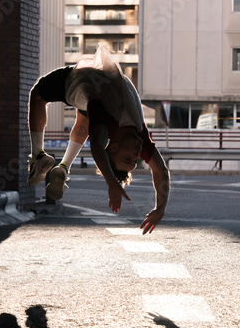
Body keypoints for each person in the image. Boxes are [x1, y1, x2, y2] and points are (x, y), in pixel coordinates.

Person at [27, 44, 170, 234]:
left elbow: (96, 147)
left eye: (128, 158)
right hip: (93, 86)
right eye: (134, 160)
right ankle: (63, 167)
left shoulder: (105, 120)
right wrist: (160, 209)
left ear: (114, 147)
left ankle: (39, 155)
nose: (137, 154)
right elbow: (160, 171)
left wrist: (113, 183)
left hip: (82, 82)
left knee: (38, 95)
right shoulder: (139, 138)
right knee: (84, 121)